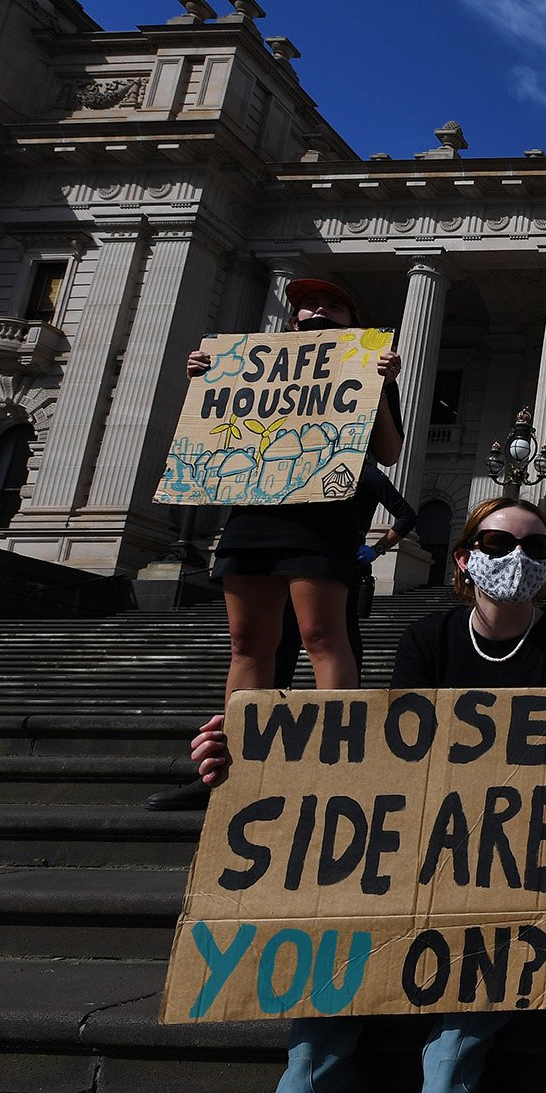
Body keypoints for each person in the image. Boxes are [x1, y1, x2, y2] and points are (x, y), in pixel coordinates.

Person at [188, 497, 546, 1093]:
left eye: (536, 549)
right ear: (465, 554)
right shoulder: (428, 637)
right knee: (351, 824)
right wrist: (244, 767)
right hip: (438, 822)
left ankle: (452, 1058)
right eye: (500, 541)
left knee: (533, 812)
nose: (517, 559)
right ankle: (313, 1067)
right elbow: (390, 758)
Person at [146, 281, 404, 811]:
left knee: (321, 636)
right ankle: (232, 768)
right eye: (308, 305)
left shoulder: (368, 368)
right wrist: (204, 380)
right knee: (247, 644)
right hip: (253, 516)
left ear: (349, 322)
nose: (318, 311)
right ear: (291, 321)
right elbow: (209, 434)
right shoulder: (248, 364)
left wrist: (379, 386)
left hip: (321, 518)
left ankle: (337, 767)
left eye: (333, 305)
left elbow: (388, 450)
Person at [270, 463, 418, 689]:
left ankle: (347, 698)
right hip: (305, 557)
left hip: (342, 562)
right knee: (289, 631)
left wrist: (377, 549)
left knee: (343, 633)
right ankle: (276, 692)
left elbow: (407, 516)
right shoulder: (315, 466)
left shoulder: (367, 473)